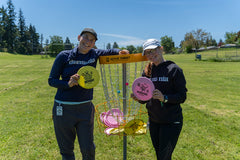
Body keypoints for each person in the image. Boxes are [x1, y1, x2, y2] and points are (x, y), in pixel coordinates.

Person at [48, 28, 129, 160]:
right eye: (86, 37)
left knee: (88, 148)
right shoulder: (64, 55)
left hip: (85, 108)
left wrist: (120, 52)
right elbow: (51, 80)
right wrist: (68, 84)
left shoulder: (94, 54)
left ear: (94, 43)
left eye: (92, 40)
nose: (88, 42)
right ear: (79, 37)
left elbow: (110, 51)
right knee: (66, 150)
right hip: (63, 108)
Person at [131, 39, 187, 160]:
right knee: (160, 155)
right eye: (147, 53)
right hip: (154, 121)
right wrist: (139, 98)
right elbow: (146, 99)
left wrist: (164, 98)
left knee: (164, 157)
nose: (151, 55)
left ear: (161, 49)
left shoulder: (174, 69)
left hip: (171, 122)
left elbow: (182, 96)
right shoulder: (147, 72)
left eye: (153, 51)